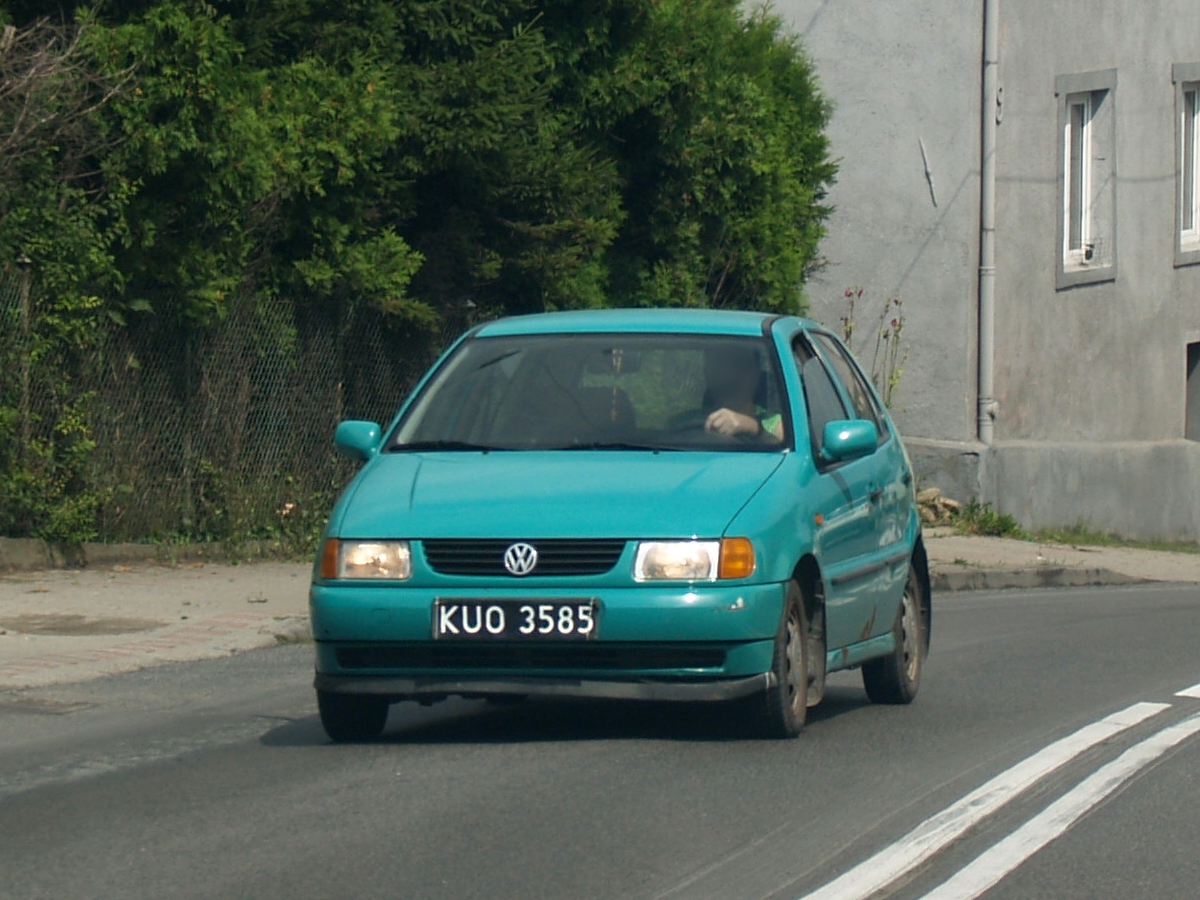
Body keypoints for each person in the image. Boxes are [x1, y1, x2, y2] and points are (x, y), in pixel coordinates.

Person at [697, 345, 783, 442]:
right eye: (718, 365)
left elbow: (785, 447)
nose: (728, 374)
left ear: (757, 374)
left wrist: (755, 429)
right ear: (706, 373)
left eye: (741, 364)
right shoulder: (689, 421)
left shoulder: (778, 424)